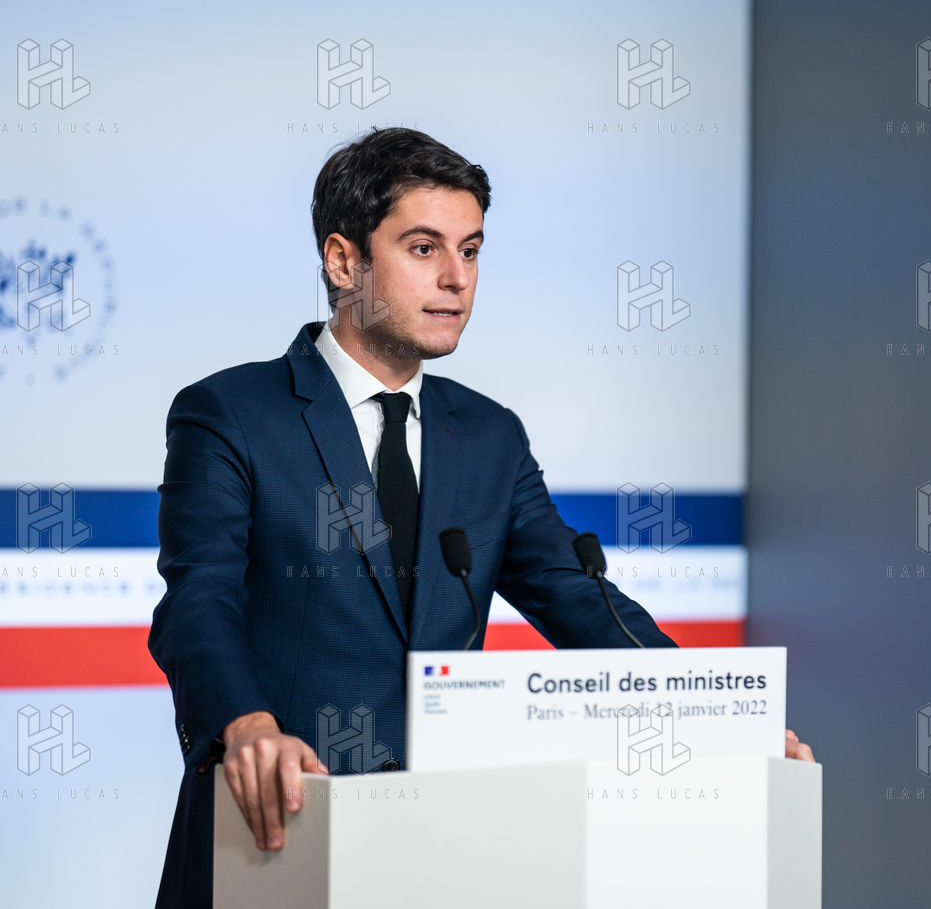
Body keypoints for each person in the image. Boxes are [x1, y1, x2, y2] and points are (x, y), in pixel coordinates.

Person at [147, 127, 812, 908]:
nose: (456, 278)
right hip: (275, 841)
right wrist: (245, 724)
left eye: (471, 250)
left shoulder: (489, 435)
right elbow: (197, 603)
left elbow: (580, 597)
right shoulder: (230, 413)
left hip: (437, 855)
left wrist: (717, 722)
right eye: (423, 248)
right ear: (343, 261)